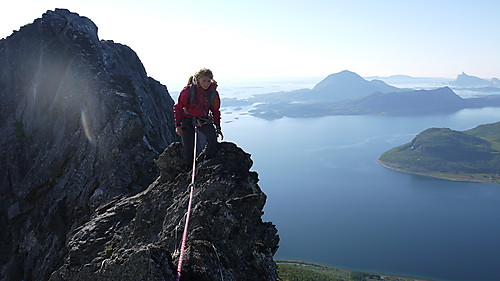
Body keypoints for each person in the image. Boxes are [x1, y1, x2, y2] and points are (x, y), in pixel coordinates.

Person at [173, 68, 223, 166]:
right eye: (204, 81)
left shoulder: (213, 93)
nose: (206, 83)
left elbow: (215, 111)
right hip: (187, 120)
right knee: (188, 147)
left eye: (208, 81)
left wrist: (218, 127)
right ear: (197, 80)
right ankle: (189, 170)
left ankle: (208, 162)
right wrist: (178, 125)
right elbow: (178, 107)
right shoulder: (188, 91)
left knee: (212, 138)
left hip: (203, 119)